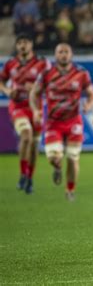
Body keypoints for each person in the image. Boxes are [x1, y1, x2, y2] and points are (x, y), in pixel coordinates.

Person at [29, 43, 93, 200]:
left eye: (66, 52)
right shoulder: (46, 73)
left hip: (74, 122)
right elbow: (34, 94)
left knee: (73, 157)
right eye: (60, 52)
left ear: (71, 54)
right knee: (54, 157)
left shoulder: (81, 73)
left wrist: (88, 105)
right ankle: (57, 167)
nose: (63, 55)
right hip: (53, 123)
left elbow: (92, 93)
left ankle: (70, 190)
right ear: (55, 54)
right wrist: (36, 111)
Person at [0, 33, 51, 194]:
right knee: (26, 135)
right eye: (20, 42)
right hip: (18, 107)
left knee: (34, 145)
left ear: (31, 44)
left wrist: (37, 88)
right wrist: (8, 91)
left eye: (26, 42)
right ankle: (23, 173)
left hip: (35, 108)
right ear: (17, 46)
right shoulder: (10, 64)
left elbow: (52, 83)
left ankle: (29, 178)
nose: (23, 45)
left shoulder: (42, 63)